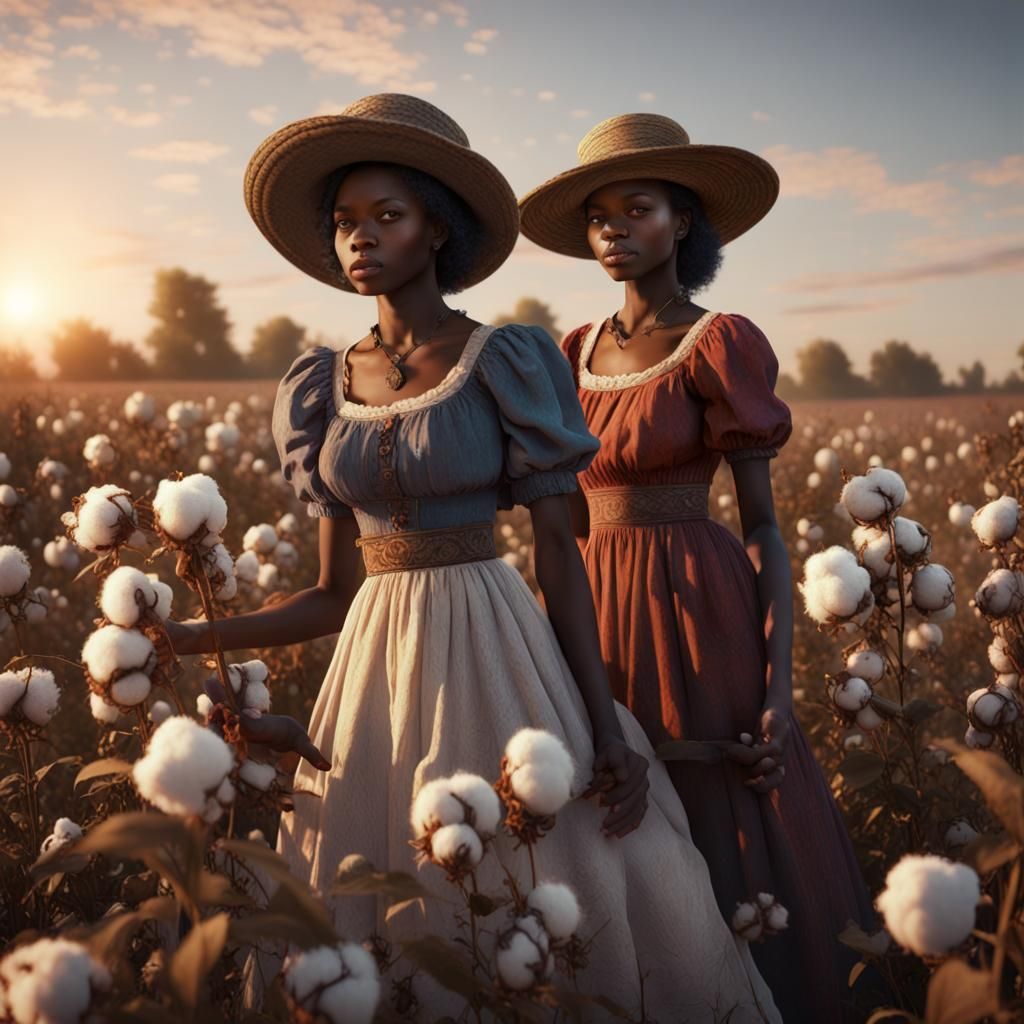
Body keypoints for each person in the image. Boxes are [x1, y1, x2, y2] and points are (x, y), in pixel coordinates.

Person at [166, 95, 780, 1020]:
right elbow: (332, 594)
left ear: (438, 228)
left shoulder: (506, 360)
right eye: (344, 221)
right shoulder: (320, 385)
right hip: (373, 666)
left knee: (535, 873)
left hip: (495, 645)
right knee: (373, 885)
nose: (360, 237)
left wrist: (604, 729)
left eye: (387, 215)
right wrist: (186, 636)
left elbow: (559, 556)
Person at [519, 112, 876, 1023]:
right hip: (591, 606)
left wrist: (779, 686)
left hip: (695, 607)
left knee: (718, 816)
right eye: (598, 215)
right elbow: (556, 522)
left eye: (636, 208)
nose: (613, 229)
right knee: (609, 810)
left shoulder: (718, 341)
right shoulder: (566, 354)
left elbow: (763, 530)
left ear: (682, 222)